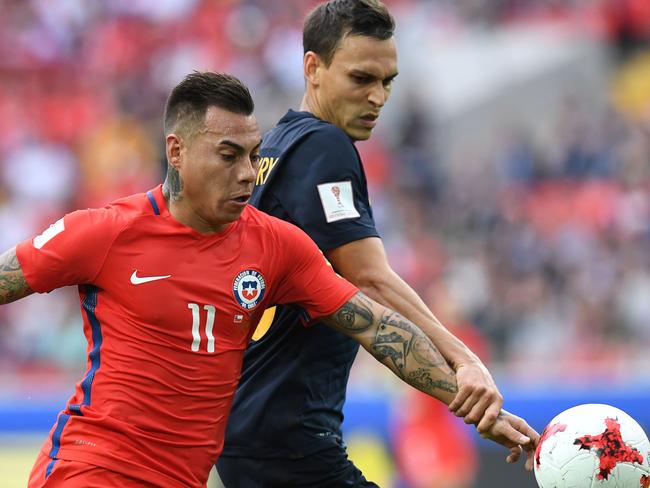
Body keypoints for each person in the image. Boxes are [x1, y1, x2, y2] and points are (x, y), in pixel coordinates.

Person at [0, 71, 533, 488]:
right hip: (90, 468)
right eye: (228, 156)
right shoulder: (104, 233)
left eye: (253, 156)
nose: (246, 175)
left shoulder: (276, 246)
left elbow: (377, 329)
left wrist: (473, 406)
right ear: (177, 151)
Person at [218, 1, 538, 486]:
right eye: (361, 78)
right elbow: (368, 277)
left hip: (251, 429)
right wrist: (465, 359)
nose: (378, 97)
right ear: (313, 68)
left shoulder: (275, 149)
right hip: (288, 440)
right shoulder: (324, 147)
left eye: (387, 81)